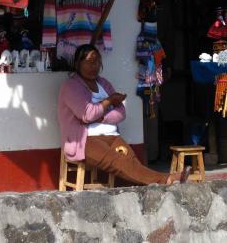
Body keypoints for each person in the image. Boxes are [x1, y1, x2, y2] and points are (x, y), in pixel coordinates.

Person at [58, 44, 189, 185]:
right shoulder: (71, 86)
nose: (94, 66)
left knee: (131, 160)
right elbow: (86, 114)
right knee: (117, 161)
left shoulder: (104, 84)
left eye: (97, 62)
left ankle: (161, 183)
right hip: (86, 141)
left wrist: (101, 116)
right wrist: (109, 101)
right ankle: (167, 179)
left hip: (112, 136)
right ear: (78, 63)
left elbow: (121, 113)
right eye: (89, 62)